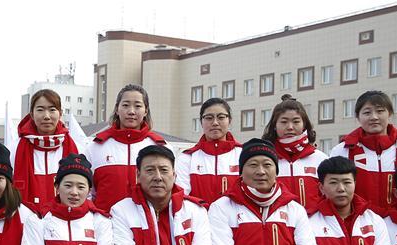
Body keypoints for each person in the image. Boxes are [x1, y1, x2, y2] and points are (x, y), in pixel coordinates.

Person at [330, 90, 397, 215]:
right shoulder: (342, 150)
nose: (374, 117)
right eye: (367, 112)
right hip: (358, 220)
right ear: (358, 117)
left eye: (380, 111)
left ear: (390, 114)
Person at [86, 84, 166, 212]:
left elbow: (169, 190)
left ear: (146, 111)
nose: (131, 111)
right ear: (117, 109)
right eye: (125, 105)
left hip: (146, 226)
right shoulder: (95, 147)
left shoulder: (160, 147)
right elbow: (86, 192)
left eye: (138, 106)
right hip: (106, 225)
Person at [13, 89, 79, 216]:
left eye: (52, 109)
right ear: (31, 114)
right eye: (40, 110)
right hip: (25, 219)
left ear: (60, 113)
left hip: (64, 219)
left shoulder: (75, 147)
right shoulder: (15, 147)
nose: (46, 116)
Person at [262, 95, 329, 212]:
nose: (290, 127)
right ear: (274, 126)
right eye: (283, 122)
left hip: (314, 226)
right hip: (278, 226)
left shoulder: (321, 159)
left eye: (296, 121)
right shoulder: (265, 159)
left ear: (304, 125)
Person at [175, 98, 242, 204]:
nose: (215, 123)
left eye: (221, 117)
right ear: (201, 122)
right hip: (199, 219)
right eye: (209, 118)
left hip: (235, 220)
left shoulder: (243, 155)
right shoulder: (187, 157)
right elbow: (182, 197)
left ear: (229, 121)